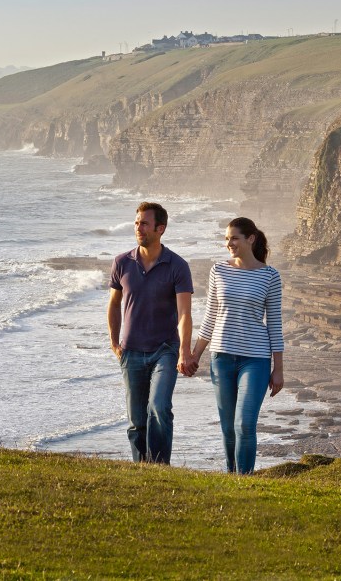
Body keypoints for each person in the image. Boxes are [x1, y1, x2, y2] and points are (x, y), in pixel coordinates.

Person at [182, 217, 284, 474]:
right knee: (228, 428)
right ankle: (232, 477)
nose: (229, 243)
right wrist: (194, 354)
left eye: (234, 238)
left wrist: (279, 368)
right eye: (226, 238)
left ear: (250, 239)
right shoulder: (218, 270)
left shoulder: (270, 276)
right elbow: (211, 316)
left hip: (256, 360)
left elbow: (274, 323)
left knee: (245, 424)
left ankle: (245, 481)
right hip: (222, 358)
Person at [108, 202, 194, 464]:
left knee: (158, 408)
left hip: (165, 351)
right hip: (131, 351)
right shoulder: (122, 262)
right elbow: (113, 304)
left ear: (160, 228)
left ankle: (159, 468)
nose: (138, 228)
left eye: (144, 223)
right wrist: (114, 343)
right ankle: (141, 469)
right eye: (136, 223)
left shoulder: (177, 266)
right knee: (136, 420)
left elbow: (184, 314)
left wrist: (184, 351)